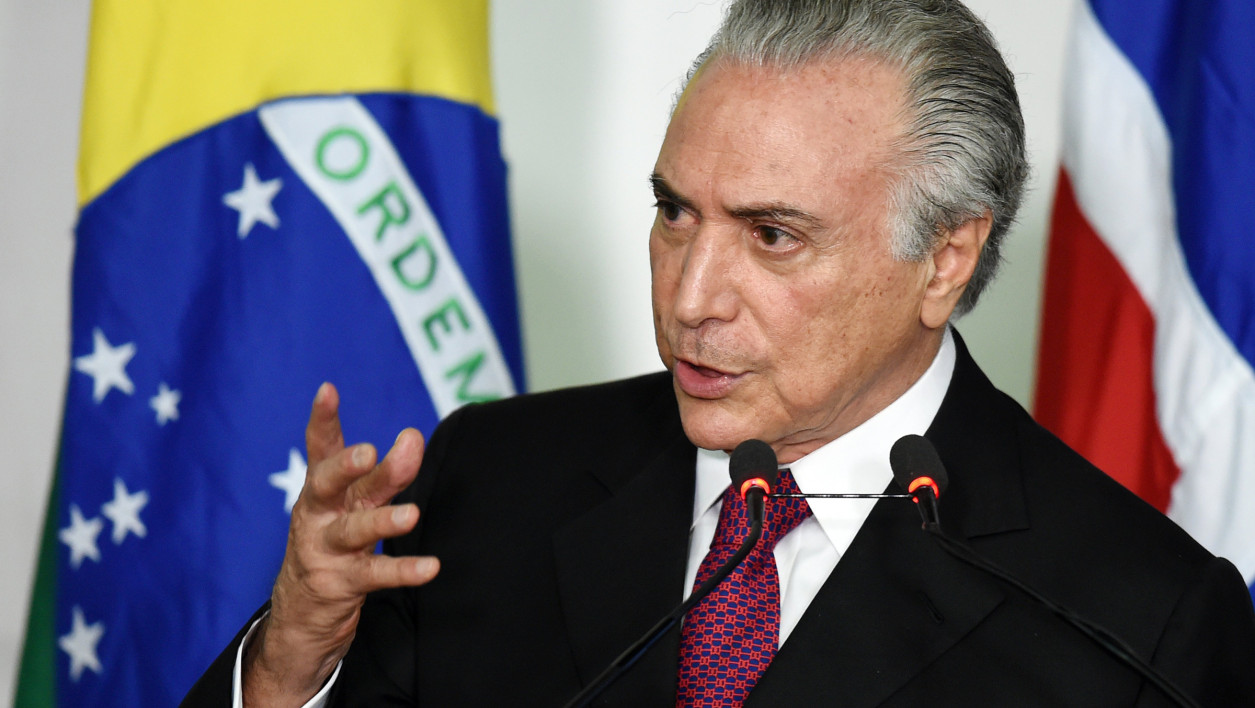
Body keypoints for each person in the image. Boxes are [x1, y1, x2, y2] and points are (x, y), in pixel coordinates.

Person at [183, 0, 1255, 705]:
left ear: (944, 258)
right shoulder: (492, 481)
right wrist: (290, 665)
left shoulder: (1138, 619)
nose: (690, 299)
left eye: (771, 235)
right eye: (674, 213)